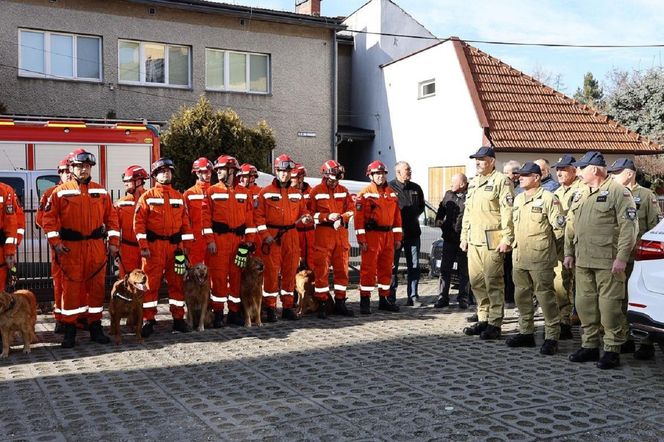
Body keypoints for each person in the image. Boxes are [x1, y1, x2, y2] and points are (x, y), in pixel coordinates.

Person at [564, 151, 637, 369]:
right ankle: (589, 346)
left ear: (594, 170)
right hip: (583, 260)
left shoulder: (618, 192)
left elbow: (629, 227)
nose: (577, 172)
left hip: (608, 261)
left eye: (581, 168)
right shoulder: (581, 193)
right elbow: (571, 225)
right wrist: (568, 252)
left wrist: (622, 257)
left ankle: (612, 349)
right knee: (585, 306)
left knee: (609, 308)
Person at [42, 148, 119, 348]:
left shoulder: (100, 191)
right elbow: (47, 221)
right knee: (71, 290)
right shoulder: (60, 192)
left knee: (96, 289)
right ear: (72, 168)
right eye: (79, 166)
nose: (83, 170)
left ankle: (95, 327)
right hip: (71, 248)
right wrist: (56, 243)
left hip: (95, 247)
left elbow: (111, 218)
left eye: (87, 166)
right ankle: (69, 330)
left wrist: (113, 243)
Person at [506, 162, 564, 355]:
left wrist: (549, 251)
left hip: (541, 258)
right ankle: (526, 332)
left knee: (545, 297)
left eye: (524, 175)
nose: (520, 177)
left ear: (537, 177)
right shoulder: (519, 199)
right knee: (521, 296)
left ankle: (551, 337)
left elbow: (559, 230)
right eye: (519, 175)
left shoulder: (549, 198)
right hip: (520, 256)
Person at [134, 158, 195, 337]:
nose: (165, 174)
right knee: (149, 285)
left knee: (177, 283)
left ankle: (178, 319)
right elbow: (138, 224)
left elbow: (186, 225)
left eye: (168, 171)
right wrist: (143, 246)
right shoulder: (147, 197)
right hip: (153, 248)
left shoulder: (178, 197)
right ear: (154, 176)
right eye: (161, 171)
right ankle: (149, 320)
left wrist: (185, 248)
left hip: (175, 248)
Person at [608, 158, 662, 359]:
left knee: (639, 299)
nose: (612, 176)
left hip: (638, 258)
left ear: (629, 173)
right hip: (617, 255)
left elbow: (654, 228)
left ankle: (647, 342)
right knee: (619, 299)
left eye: (616, 172)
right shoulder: (612, 194)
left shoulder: (646, 195)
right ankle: (625, 338)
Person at [461, 146, 514, 340]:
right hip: (474, 238)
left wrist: (507, 238)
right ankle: (482, 317)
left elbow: (508, 211)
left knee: (493, 281)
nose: (478, 162)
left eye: (482, 159)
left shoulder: (501, 181)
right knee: (476, 281)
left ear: (492, 161)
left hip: (494, 237)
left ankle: (494, 322)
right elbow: (468, 211)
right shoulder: (474, 183)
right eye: (476, 159)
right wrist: (464, 236)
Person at [255, 154, 312, 321]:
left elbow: (304, 212)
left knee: (289, 272)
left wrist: (307, 217)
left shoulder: (296, 194)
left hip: (291, 235)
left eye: (288, 172)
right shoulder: (265, 193)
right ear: (276, 172)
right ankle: (271, 307)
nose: (285, 175)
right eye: (282, 171)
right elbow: (258, 217)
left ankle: (288, 306)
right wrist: (265, 236)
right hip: (273, 237)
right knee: (271, 274)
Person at [202, 155, 256, 327]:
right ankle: (218, 313)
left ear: (232, 171)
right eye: (217, 170)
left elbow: (250, 220)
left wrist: (248, 242)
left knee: (236, 277)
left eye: (221, 169)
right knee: (218, 278)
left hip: (238, 242)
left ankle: (234, 312)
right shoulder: (211, 192)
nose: (218, 172)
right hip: (219, 241)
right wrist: (210, 240)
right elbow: (205, 219)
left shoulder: (244, 193)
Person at [309, 160, 355, 318]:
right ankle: (322, 304)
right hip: (323, 235)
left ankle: (341, 302)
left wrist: (341, 218)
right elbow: (310, 214)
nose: (335, 180)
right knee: (321, 271)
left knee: (342, 270)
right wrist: (327, 217)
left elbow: (351, 210)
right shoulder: (316, 191)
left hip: (340, 234)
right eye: (333, 176)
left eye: (337, 177)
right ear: (326, 175)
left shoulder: (344, 190)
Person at [355, 160, 402, 314]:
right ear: (371, 176)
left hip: (388, 236)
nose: (380, 176)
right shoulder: (365, 193)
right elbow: (358, 219)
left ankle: (384, 299)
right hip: (372, 236)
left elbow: (397, 219)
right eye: (377, 174)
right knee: (368, 269)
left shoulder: (391, 193)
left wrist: (397, 238)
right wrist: (361, 240)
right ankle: (365, 301)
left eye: (382, 173)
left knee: (386, 269)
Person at [552, 154, 585, 338]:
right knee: (560, 285)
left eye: (563, 169)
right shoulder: (557, 192)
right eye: (558, 169)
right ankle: (564, 321)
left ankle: (586, 323)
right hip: (560, 246)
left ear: (574, 170)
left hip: (579, 245)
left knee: (582, 286)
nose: (559, 172)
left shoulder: (582, 189)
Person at [36, 158, 71, 333]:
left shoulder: (83, 192)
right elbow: (40, 219)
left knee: (82, 283)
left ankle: (79, 318)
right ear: (60, 173)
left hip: (81, 245)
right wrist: (56, 238)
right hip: (59, 247)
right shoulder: (51, 193)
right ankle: (60, 319)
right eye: (65, 171)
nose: (69, 174)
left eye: (71, 170)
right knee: (60, 283)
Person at [389, 161, 425, 306]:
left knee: (414, 266)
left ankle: (413, 296)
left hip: (413, 233)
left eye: (410, 169)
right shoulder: (390, 187)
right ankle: (391, 296)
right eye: (407, 169)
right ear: (398, 172)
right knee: (393, 266)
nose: (410, 171)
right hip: (396, 234)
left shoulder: (416, 188)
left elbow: (421, 207)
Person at [434, 173, 470, 309]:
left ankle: (463, 298)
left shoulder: (470, 195)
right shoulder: (448, 194)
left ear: (462, 184)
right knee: (445, 269)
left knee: (464, 270)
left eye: (453, 183)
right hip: (449, 237)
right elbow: (441, 208)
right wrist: (439, 218)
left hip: (463, 239)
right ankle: (442, 297)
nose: (450, 185)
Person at [114, 165, 149, 278]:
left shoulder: (150, 199)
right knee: (127, 283)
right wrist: (115, 247)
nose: (125, 184)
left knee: (148, 282)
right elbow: (114, 227)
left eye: (128, 181)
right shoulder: (121, 203)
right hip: (127, 249)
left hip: (148, 249)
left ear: (139, 181)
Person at [184, 157, 213, 266]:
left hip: (214, 240)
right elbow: (185, 221)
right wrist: (186, 244)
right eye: (205, 172)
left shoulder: (215, 191)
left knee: (215, 273)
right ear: (197, 173)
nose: (208, 174)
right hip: (196, 242)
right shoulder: (189, 194)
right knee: (195, 274)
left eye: (209, 171)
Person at [501, 160, 521, 307]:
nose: (510, 176)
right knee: (503, 268)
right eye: (507, 173)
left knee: (514, 270)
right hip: (502, 235)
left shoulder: (523, 189)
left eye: (513, 172)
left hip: (519, 236)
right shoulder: (502, 187)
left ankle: (512, 298)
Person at [292, 163, 315, 270]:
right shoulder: (288, 193)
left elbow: (316, 211)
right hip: (295, 232)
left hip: (310, 233)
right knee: (294, 261)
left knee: (312, 262)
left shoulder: (311, 193)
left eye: (294, 178)